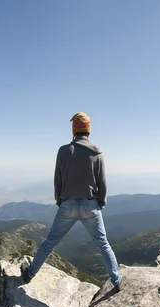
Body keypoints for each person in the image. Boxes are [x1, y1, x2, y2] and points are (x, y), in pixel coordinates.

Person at [21, 112, 122, 290]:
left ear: (74, 130)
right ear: (89, 131)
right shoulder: (97, 153)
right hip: (91, 205)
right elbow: (102, 181)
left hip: (67, 204)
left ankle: (29, 274)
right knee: (103, 245)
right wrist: (101, 203)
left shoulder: (64, 151)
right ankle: (116, 282)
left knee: (50, 242)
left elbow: (57, 179)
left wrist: (59, 200)